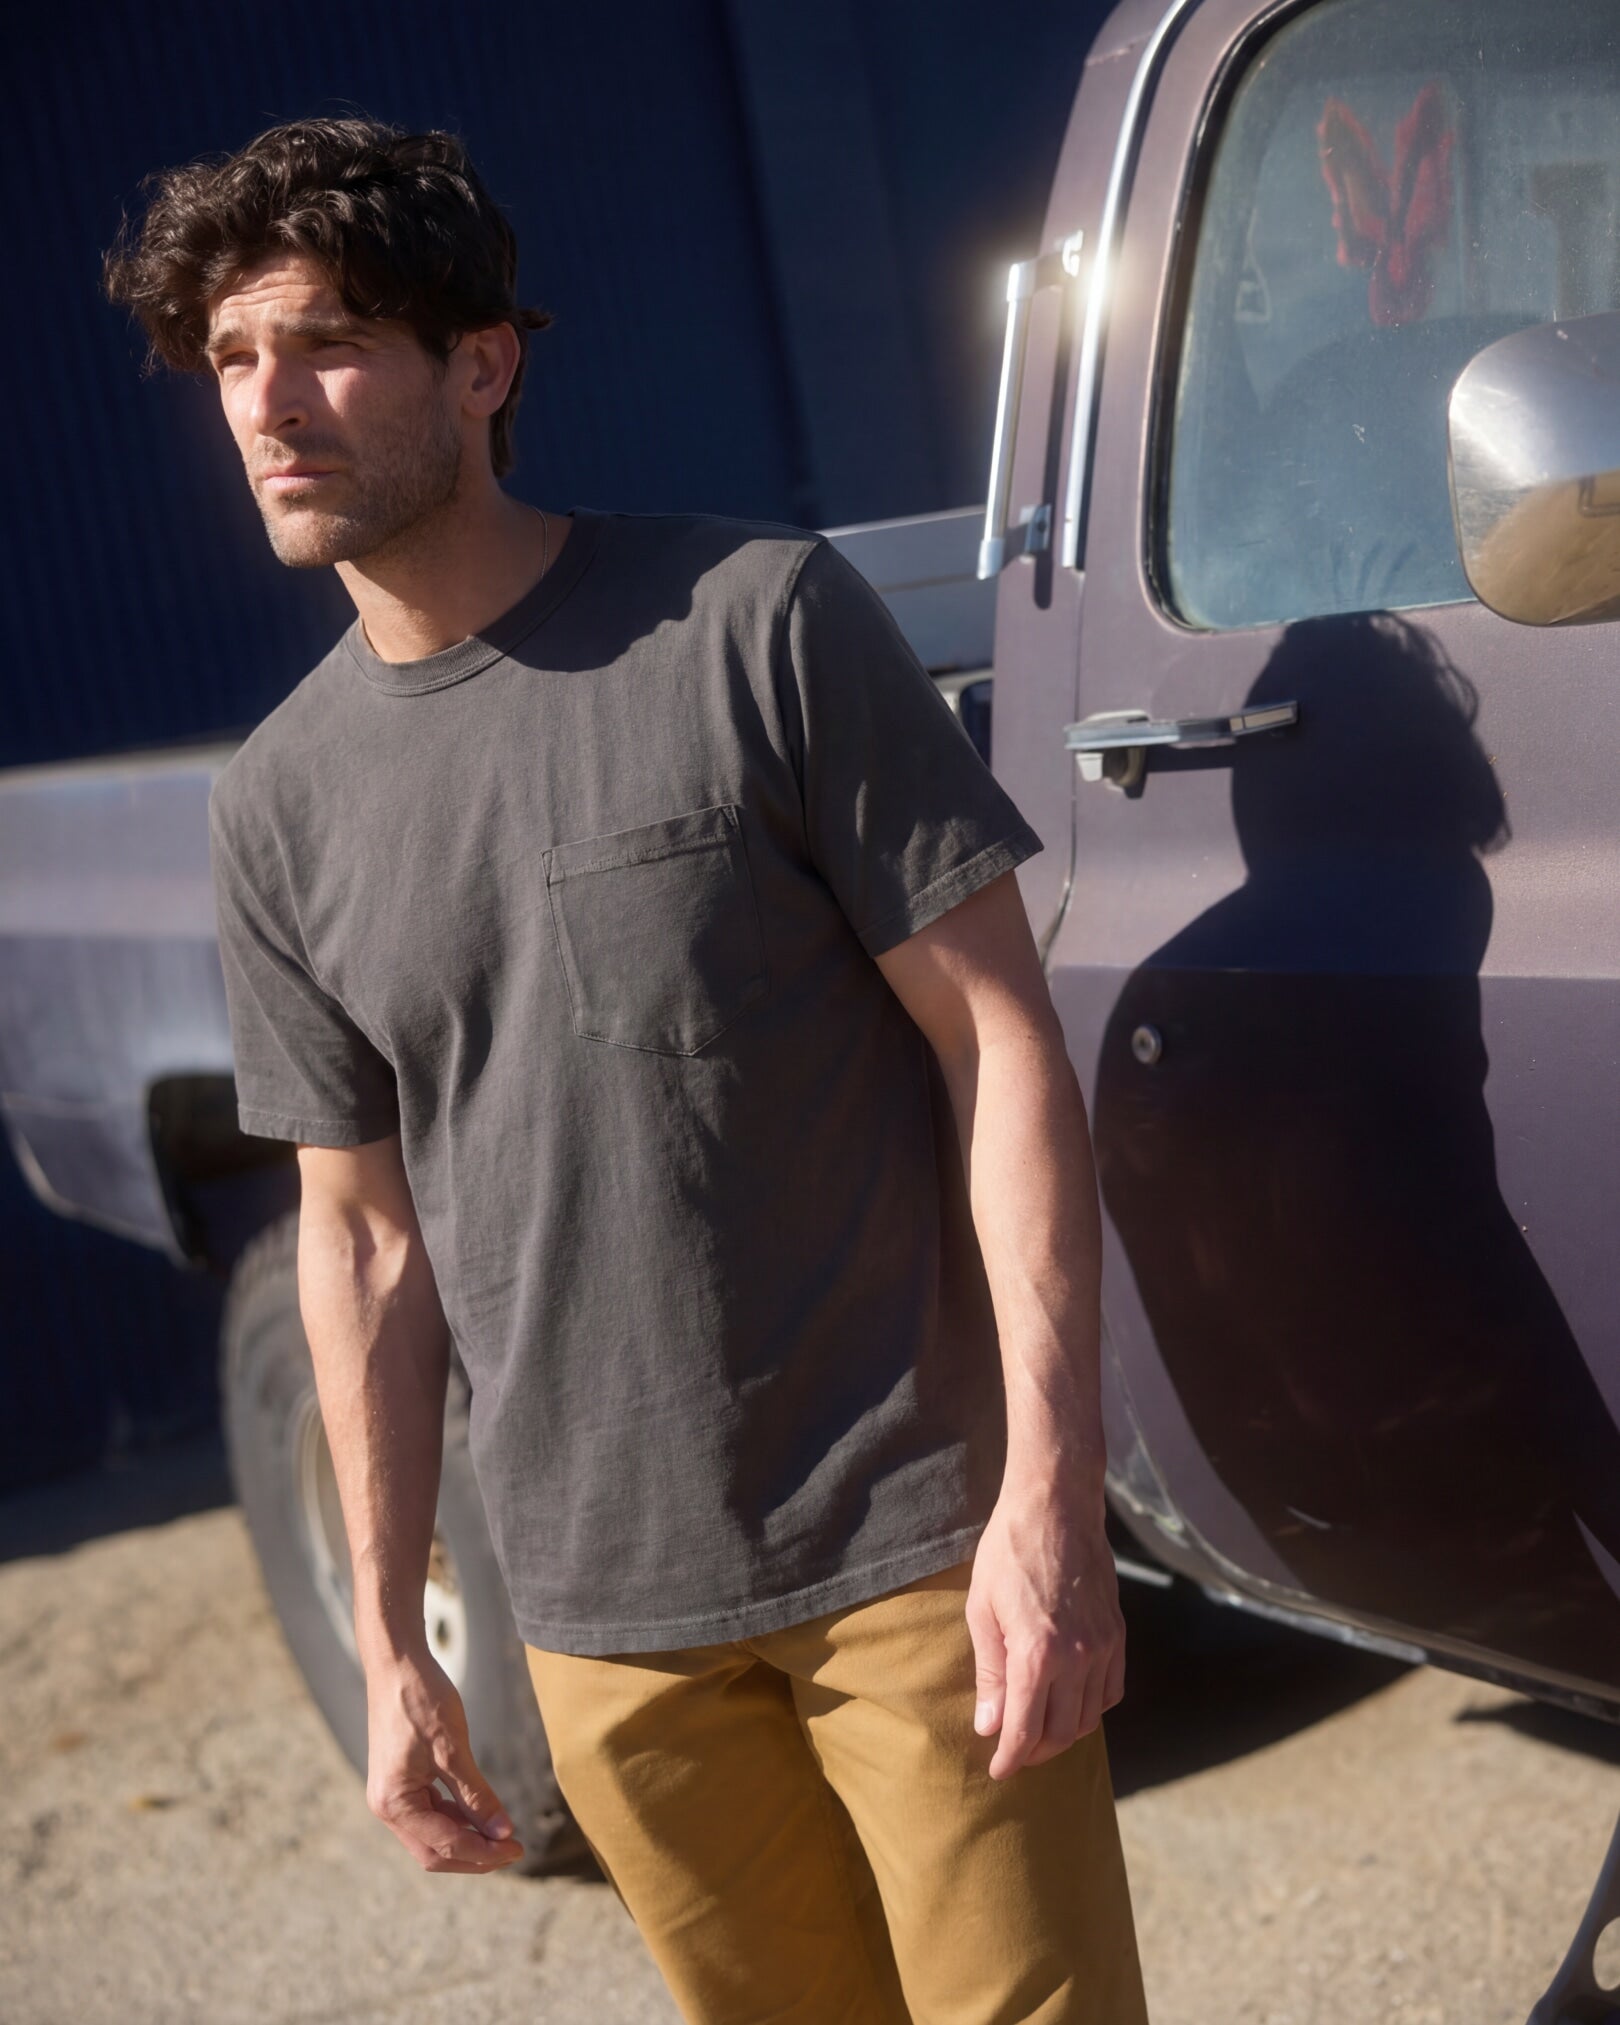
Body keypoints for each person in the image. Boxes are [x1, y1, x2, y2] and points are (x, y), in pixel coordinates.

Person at [104, 116, 1149, 2024]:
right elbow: (361, 1241)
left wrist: (1050, 1502)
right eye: (234, 358)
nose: (271, 400)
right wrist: (394, 1640)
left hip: (915, 1563)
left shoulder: (754, 622)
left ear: (483, 364)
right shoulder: (278, 803)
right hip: (602, 1636)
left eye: (327, 337)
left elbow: (997, 1033)